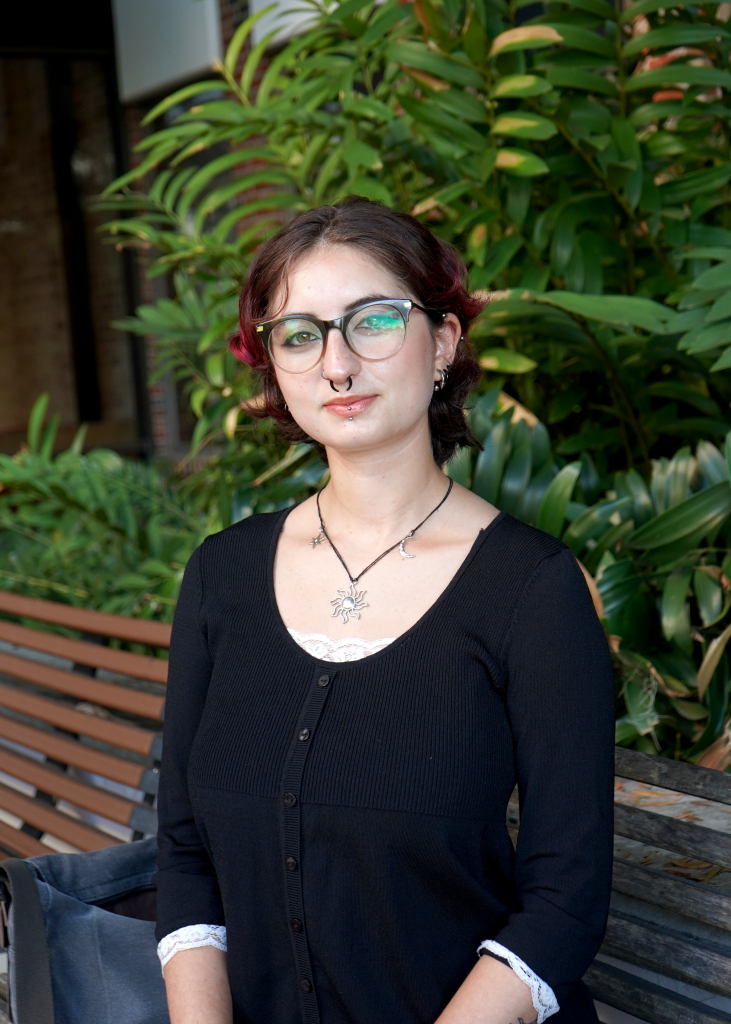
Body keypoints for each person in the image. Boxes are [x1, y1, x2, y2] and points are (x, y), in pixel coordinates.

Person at [155, 198, 615, 1024]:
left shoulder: (531, 589)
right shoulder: (219, 578)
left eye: (371, 321)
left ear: (441, 342)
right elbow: (187, 853)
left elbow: (565, 899)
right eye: (299, 334)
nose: (336, 365)